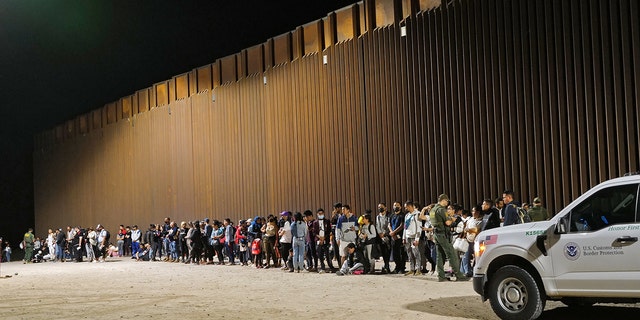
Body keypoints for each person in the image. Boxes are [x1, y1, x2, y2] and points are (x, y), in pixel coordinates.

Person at [430, 194, 468, 282]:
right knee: (452, 254)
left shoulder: (433, 210)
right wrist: (452, 219)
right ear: (443, 200)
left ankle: (441, 276)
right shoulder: (441, 210)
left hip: (436, 233)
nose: (447, 203)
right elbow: (447, 223)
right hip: (443, 234)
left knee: (440, 255)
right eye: (447, 201)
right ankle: (459, 275)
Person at [402, 201, 422, 276]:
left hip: (414, 237)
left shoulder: (417, 214)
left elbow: (419, 228)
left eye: (406, 207)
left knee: (416, 253)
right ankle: (411, 269)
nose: (405, 208)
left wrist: (417, 239)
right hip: (407, 236)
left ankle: (418, 269)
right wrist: (403, 237)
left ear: (410, 206)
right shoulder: (407, 215)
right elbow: (405, 227)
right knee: (409, 253)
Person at [313, 208, 334, 273]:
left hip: (326, 239)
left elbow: (329, 231)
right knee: (320, 254)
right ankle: (322, 266)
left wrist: (324, 237)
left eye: (322, 213)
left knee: (327, 254)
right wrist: (319, 237)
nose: (320, 215)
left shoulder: (327, 221)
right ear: (317, 214)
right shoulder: (315, 222)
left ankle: (330, 266)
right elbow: (314, 232)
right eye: (319, 214)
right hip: (318, 240)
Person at [389, 202, 406, 274]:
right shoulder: (392, 215)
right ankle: (397, 266)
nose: (396, 207)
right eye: (394, 205)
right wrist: (391, 232)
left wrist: (394, 232)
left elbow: (402, 225)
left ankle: (402, 268)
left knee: (401, 253)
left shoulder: (402, 215)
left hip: (400, 236)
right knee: (395, 253)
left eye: (397, 205)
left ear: (400, 207)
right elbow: (389, 224)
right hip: (393, 237)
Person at [375, 203, 392, 274]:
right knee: (383, 251)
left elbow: (389, 225)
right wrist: (380, 234)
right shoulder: (378, 217)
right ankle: (386, 264)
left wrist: (385, 233)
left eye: (381, 207)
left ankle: (387, 265)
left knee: (388, 251)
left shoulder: (389, 216)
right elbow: (377, 226)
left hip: (388, 235)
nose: (380, 208)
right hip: (380, 236)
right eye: (379, 207)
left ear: (385, 208)